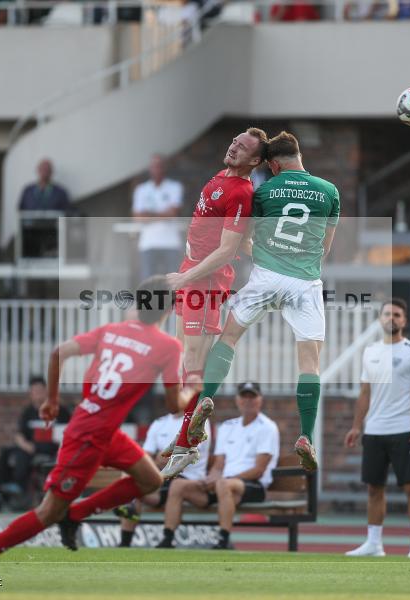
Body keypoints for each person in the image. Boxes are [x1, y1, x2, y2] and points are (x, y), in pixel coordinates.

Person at [0, 275, 183, 585]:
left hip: (100, 428)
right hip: (89, 436)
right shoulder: (168, 346)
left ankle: (76, 515)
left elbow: (58, 353)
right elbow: (175, 405)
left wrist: (51, 401)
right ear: (169, 310)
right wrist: (194, 391)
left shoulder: (112, 330)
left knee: (150, 479)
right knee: (49, 511)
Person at [164, 131, 339, 477]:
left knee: (227, 340)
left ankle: (202, 404)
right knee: (310, 361)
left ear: (272, 165)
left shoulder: (263, 191)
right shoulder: (329, 191)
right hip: (304, 283)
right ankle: (305, 435)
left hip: (265, 277)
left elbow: (245, 240)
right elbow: (325, 250)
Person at [158, 128, 268, 475]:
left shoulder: (241, 191)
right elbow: (242, 241)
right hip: (191, 270)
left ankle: (188, 442)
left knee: (193, 360)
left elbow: (227, 251)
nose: (234, 147)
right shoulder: (222, 175)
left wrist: (187, 277)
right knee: (183, 359)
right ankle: (189, 433)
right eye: (234, 141)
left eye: (243, 147)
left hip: (204, 279)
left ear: (255, 161)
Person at [344, 299, 410, 559]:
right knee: (374, 488)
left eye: (396, 314)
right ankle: (374, 543)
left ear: (404, 321)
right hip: (374, 430)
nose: (391, 318)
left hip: (404, 428)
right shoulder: (370, 351)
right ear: (380, 319)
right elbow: (364, 392)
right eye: (386, 314)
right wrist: (357, 426)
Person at [159, 382, 279, 550]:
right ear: (237, 400)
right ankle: (167, 539)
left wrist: (220, 480)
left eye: (252, 396)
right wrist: (210, 479)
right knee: (178, 485)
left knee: (223, 485)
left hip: (254, 486)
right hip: (226, 486)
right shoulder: (227, 426)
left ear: (260, 400)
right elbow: (218, 465)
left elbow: (258, 471)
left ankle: (223, 540)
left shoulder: (268, 427)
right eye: (244, 396)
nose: (248, 400)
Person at [116, 394, 211, 548]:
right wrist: (152, 464)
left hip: (189, 480)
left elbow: (181, 458)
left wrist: (156, 461)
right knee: (130, 477)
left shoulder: (199, 421)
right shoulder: (159, 423)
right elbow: (144, 457)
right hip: (162, 480)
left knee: (176, 486)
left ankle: (167, 540)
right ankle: (124, 542)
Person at [0, 376, 72, 511]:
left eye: (40, 391)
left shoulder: (60, 410)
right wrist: (25, 445)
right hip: (30, 448)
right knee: (6, 452)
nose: (37, 394)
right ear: (30, 394)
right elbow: (19, 434)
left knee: (22, 456)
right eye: (34, 391)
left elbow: (68, 432)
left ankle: (19, 487)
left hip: (51, 449)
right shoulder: (28, 412)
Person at [132, 154, 185, 283]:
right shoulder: (141, 189)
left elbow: (173, 213)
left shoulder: (175, 187)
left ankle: (173, 304)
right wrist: (163, 214)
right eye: (154, 166)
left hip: (171, 242)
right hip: (148, 242)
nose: (157, 169)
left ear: (164, 168)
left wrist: (149, 214)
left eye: (159, 166)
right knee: (148, 282)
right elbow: (138, 217)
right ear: (149, 168)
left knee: (173, 282)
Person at [18, 158, 71, 259]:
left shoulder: (61, 192)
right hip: (30, 233)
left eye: (47, 170)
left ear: (52, 172)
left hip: (53, 233)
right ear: (37, 170)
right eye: (42, 169)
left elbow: (67, 211)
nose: (45, 172)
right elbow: (20, 209)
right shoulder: (27, 191)